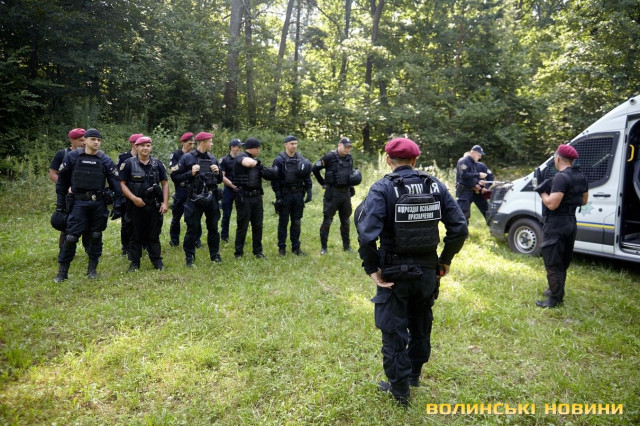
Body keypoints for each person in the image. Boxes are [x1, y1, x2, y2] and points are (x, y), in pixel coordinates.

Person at [356, 138, 468, 406]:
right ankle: (413, 375)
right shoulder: (434, 185)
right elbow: (459, 228)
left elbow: (366, 234)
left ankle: (400, 390)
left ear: (388, 160)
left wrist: (372, 268)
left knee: (393, 331)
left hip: (394, 274)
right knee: (420, 323)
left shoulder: (383, 188)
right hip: (427, 270)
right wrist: (445, 260)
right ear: (415, 160)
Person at [53, 129, 123, 282]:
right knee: (71, 237)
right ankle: (62, 272)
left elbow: (116, 184)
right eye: (93, 139)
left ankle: (92, 269)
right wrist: (60, 206)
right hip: (78, 203)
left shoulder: (105, 160)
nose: (96, 142)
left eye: (99, 140)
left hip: (98, 203)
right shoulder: (72, 157)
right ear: (85, 140)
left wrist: (118, 205)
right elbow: (62, 183)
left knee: (96, 236)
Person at [534, 144, 588, 308]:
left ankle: (555, 299)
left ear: (557, 158)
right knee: (562, 260)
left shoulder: (561, 177)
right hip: (571, 222)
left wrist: (541, 190)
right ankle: (555, 290)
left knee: (552, 261)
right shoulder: (581, 176)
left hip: (556, 224)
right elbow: (584, 201)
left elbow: (552, 204)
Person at [171, 131, 223, 266]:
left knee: (213, 228)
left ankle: (215, 256)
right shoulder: (187, 158)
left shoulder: (213, 159)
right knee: (192, 229)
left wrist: (218, 172)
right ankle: (189, 258)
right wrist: (191, 173)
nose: (212, 144)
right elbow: (174, 176)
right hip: (194, 198)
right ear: (203, 142)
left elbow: (219, 180)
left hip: (211, 197)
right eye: (210, 141)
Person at [119, 136, 170, 272]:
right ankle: (134, 263)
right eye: (142, 145)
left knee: (154, 234)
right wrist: (133, 198)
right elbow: (122, 184)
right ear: (136, 147)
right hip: (135, 205)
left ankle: (157, 261)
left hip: (154, 205)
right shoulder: (128, 163)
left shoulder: (157, 164)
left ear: (151, 147)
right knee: (134, 234)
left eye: (148, 145)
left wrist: (165, 203)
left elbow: (165, 183)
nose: (145, 148)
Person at [312, 137, 362, 254]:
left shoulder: (349, 158)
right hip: (332, 194)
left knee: (346, 221)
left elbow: (349, 174)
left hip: (345, 194)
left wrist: (352, 185)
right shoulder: (329, 157)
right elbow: (315, 169)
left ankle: (347, 246)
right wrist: (322, 183)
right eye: (345, 147)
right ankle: (324, 248)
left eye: (349, 147)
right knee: (327, 220)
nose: (347, 149)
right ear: (339, 145)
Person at [271, 135, 313, 256]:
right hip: (285, 194)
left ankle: (296, 248)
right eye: (291, 144)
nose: (294, 146)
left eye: (295, 143)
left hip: (298, 195)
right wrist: (278, 197)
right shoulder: (279, 160)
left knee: (296, 222)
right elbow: (275, 180)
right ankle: (282, 248)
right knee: (283, 222)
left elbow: (307, 177)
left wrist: (309, 191)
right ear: (285, 145)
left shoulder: (302, 160)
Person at [49, 128, 89, 249]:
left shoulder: (90, 154)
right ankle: (65, 249)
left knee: (88, 221)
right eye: (81, 140)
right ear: (72, 140)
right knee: (68, 221)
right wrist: (66, 186)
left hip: (86, 194)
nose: (84, 143)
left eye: (85, 140)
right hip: (69, 195)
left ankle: (90, 250)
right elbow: (53, 173)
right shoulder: (62, 154)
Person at [232, 137, 269, 259]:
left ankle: (258, 251)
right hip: (244, 197)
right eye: (257, 148)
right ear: (251, 148)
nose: (258, 150)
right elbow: (249, 163)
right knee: (242, 226)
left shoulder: (255, 160)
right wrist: (257, 162)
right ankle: (238, 253)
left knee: (258, 225)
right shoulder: (240, 157)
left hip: (257, 197)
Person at [168, 132, 201, 248]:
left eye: (193, 144)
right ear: (182, 142)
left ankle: (196, 241)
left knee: (195, 217)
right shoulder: (176, 155)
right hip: (181, 189)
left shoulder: (195, 155)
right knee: (176, 217)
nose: (191, 146)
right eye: (189, 144)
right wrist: (189, 174)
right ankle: (174, 241)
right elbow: (174, 174)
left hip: (193, 190)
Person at [116, 133, 142, 257]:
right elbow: (118, 177)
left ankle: (143, 245)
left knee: (143, 222)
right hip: (126, 195)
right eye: (139, 143)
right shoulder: (123, 158)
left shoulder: (146, 157)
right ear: (133, 144)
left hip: (141, 194)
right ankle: (126, 247)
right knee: (126, 222)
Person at [219, 138, 244, 243]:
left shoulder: (243, 159)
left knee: (242, 214)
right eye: (238, 147)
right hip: (229, 189)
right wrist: (232, 185)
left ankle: (240, 237)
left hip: (241, 189)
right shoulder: (224, 160)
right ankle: (224, 237)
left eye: (241, 147)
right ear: (232, 147)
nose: (240, 149)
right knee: (227, 214)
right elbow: (222, 176)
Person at [455, 145, 487, 222]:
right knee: (463, 214)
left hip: (469, 191)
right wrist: (478, 175)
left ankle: (464, 229)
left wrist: (477, 182)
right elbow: (463, 175)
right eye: (479, 155)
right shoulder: (464, 161)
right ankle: (461, 229)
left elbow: (470, 177)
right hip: (463, 192)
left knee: (466, 214)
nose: (480, 157)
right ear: (472, 152)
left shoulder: (472, 162)